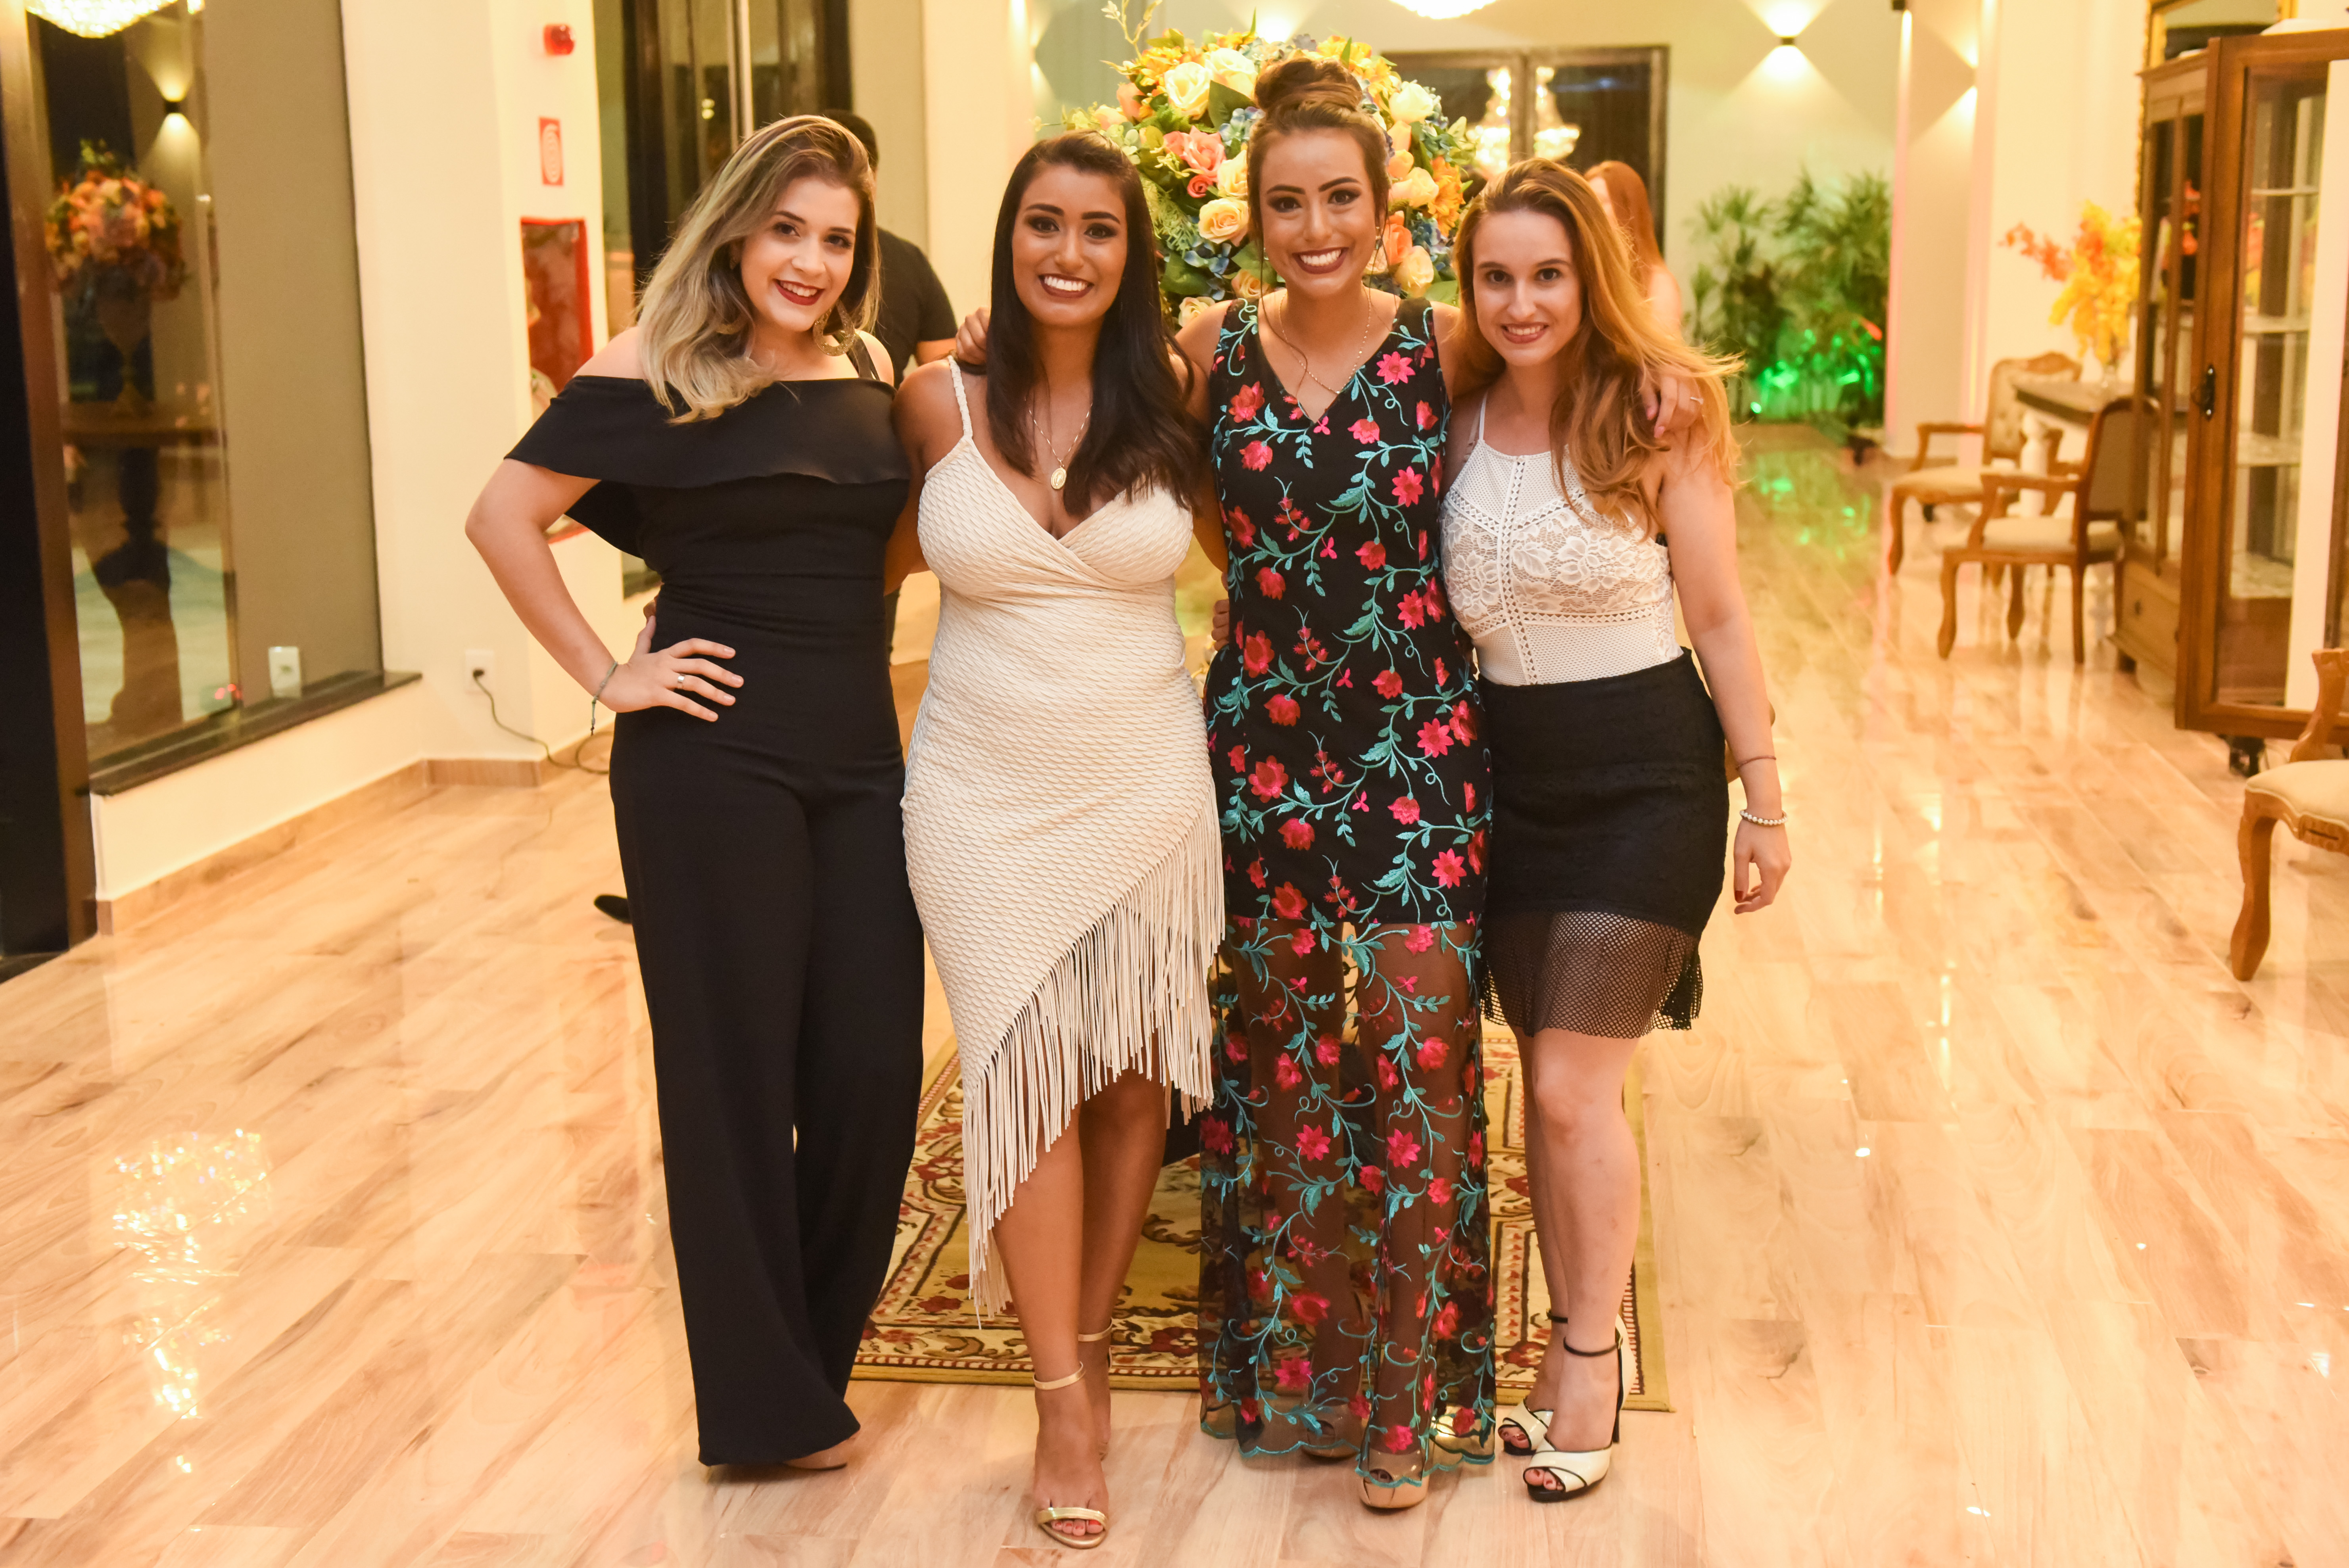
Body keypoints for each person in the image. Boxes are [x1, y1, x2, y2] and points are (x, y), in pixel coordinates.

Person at [466, 116, 923, 1470]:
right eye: (786, 230)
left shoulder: (868, 368)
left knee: (869, 1070)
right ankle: (768, 1405)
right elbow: (502, 516)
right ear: (735, 230)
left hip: (859, 754)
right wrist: (609, 676)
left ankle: (810, 1362)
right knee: (730, 1077)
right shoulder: (653, 371)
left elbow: (883, 549)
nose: (810, 262)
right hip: (710, 761)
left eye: (835, 239)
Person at [889, 130, 1222, 1553]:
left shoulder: (1181, 389)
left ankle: (1086, 1346)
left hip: (1143, 775)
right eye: (1044, 222)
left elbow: (1264, 558)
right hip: (977, 788)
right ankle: (1061, 1403)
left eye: (1098, 229)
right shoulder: (932, 398)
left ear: (1131, 255)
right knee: (1023, 1075)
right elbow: (853, 564)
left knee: (1134, 1081)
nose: (1068, 252)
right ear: (1007, 237)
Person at [1441, 159, 1787, 1501]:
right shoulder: (1454, 417)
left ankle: (1591, 1354)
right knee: (1546, 1078)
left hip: (1645, 778)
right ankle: (1574, 1325)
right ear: (1469, 288)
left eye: (1549, 273)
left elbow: (1720, 615)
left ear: (1592, 276)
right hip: (1506, 786)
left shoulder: (1654, 410)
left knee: (1572, 1089)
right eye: (1497, 277)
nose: (1523, 301)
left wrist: (1764, 793)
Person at [1586, 160, 1683, 338]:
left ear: (1627, 208)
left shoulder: (1658, 283)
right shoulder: (1589, 271)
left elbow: (1660, 350)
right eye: (1588, 202)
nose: (1590, 211)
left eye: (1600, 201)